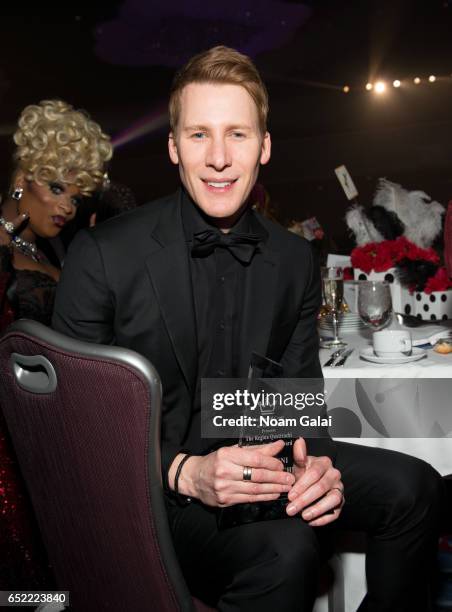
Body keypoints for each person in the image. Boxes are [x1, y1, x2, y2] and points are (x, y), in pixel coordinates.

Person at [53, 47, 443, 611]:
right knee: (284, 552)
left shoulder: (291, 258)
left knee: (416, 488)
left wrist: (317, 467)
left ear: (263, 147)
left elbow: (297, 400)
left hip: (262, 452)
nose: (217, 157)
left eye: (236, 134)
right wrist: (183, 471)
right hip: (154, 489)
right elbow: (74, 433)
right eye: (198, 135)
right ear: (172, 148)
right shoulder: (103, 255)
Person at [0, 99, 112, 588]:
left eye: (76, 193)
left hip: (46, 440)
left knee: (58, 582)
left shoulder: (38, 247)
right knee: (23, 586)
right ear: (23, 178)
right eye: (57, 188)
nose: (68, 205)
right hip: (9, 449)